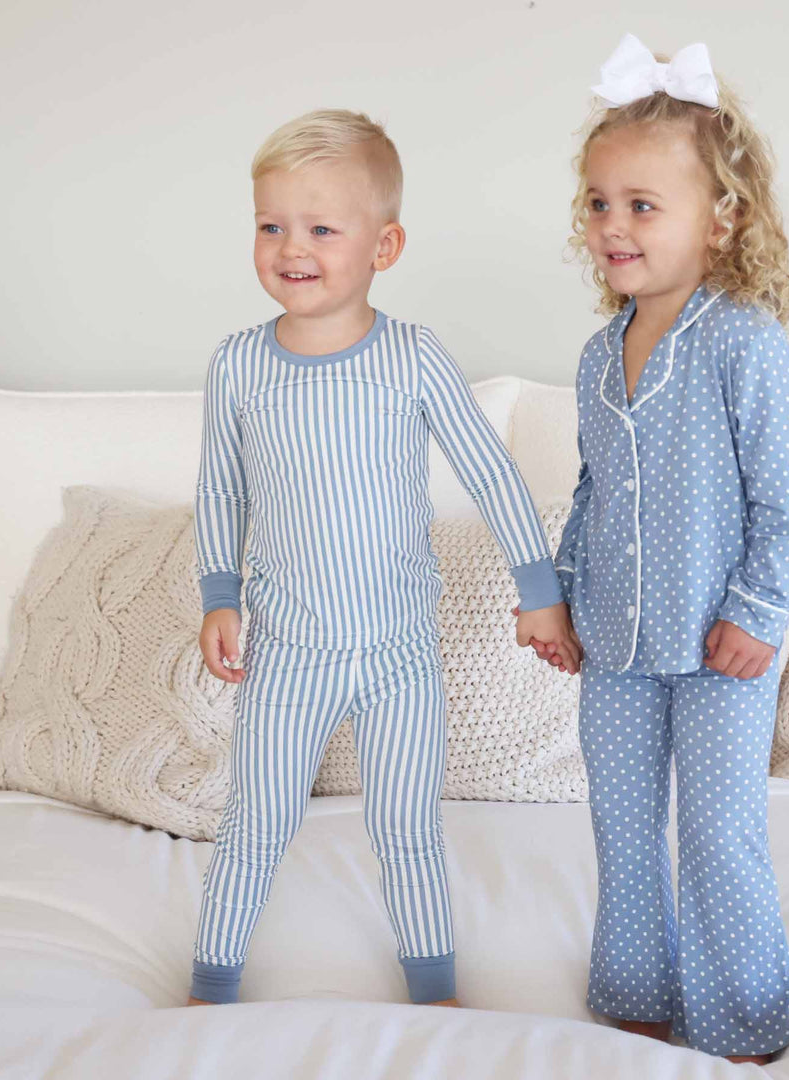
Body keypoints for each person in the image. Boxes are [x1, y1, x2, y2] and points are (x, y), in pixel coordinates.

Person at [187, 108, 580, 1009]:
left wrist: (538, 589)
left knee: (405, 827)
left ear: (384, 244)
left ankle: (435, 992)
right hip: (287, 653)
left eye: (323, 228)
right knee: (254, 825)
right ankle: (209, 991)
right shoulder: (239, 366)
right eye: (272, 225)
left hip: (399, 655)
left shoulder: (410, 358)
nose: (293, 247)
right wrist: (219, 594)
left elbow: (490, 472)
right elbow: (220, 490)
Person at [527, 34, 789, 1064]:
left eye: (643, 205)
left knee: (719, 835)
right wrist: (560, 598)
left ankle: (743, 1020)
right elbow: (595, 493)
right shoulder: (599, 355)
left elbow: (785, 503)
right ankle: (635, 1001)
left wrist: (760, 611)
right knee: (622, 832)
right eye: (600, 203)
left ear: (720, 217)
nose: (613, 225)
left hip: (723, 647)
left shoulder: (746, 343)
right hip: (615, 645)